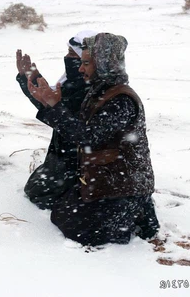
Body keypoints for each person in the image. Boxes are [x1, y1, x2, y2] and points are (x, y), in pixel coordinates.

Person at [27, 32, 159, 246]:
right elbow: (76, 128)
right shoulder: (101, 91)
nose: (80, 69)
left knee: (77, 228)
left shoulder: (120, 99)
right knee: (60, 210)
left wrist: (56, 107)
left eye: (86, 63)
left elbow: (87, 137)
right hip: (106, 179)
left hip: (123, 186)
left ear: (104, 64)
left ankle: (134, 214)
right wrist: (51, 104)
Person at [16, 30, 98, 209]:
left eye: (72, 54)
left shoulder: (91, 88)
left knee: (43, 193)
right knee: (36, 188)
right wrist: (29, 78)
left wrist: (52, 104)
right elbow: (48, 101)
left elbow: (59, 110)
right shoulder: (74, 82)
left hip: (77, 161)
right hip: (62, 154)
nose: (67, 58)